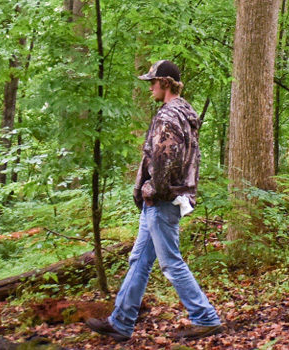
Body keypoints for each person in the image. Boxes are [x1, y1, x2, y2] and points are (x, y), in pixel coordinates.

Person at [84, 60, 223, 342]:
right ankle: (121, 322)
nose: (150, 87)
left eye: (153, 82)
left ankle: (205, 317)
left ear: (166, 83)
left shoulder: (169, 116)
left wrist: (152, 190)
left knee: (171, 263)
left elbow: (164, 160)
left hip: (161, 200)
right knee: (139, 260)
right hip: (162, 200)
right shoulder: (182, 114)